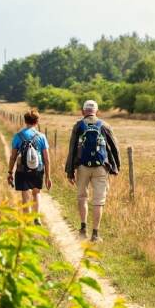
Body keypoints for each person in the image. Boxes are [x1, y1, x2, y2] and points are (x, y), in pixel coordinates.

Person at [65, 100, 120, 242]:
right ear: (97, 111)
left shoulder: (78, 126)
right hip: (101, 167)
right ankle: (95, 234)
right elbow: (114, 147)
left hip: (82, 167)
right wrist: (115, 167)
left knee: (82, 197)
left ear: (83, 111)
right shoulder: (105, 125)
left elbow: (72, 150)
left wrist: (70, 171)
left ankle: (83, 229)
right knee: (98, 201)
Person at [7, 109, 51, 225]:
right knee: (36, 193)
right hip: (38, 168)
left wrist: (10, 172)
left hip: (22, 169)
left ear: (25, 120)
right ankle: (37, 218)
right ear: (37, 122)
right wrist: (48, 176)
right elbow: (47, 159)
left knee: (25, 194)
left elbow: (13, 157)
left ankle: (26, 221)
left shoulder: (18, 136)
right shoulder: (41, 136)